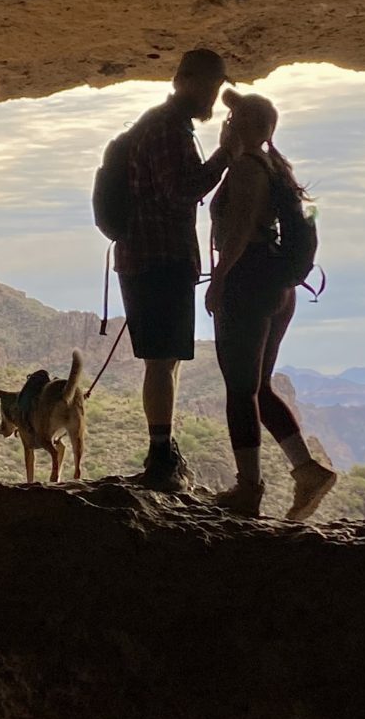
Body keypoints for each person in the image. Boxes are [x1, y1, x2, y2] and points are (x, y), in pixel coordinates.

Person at [205, 88, 339, 521]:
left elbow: (241, 228)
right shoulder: (273, 167)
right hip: (278, 287)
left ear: (239, 127)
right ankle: (306, 470)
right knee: (258, 385)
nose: (224, 125)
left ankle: (249, 490)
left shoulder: (246, 168)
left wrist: (219, 281)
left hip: (247, 283)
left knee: (240, 391)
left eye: (230, 120)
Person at [114, 48, 230, 490]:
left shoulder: (166, 126)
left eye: (216, 87)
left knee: (168, 359)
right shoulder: (166, 130)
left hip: (154, 258)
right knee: (162, 361)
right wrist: (225, 154)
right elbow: (180, 193)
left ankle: (163, 449)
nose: (213, 96)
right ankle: (160, 457)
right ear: (183, 80)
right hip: (155, 259)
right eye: (208, 86)